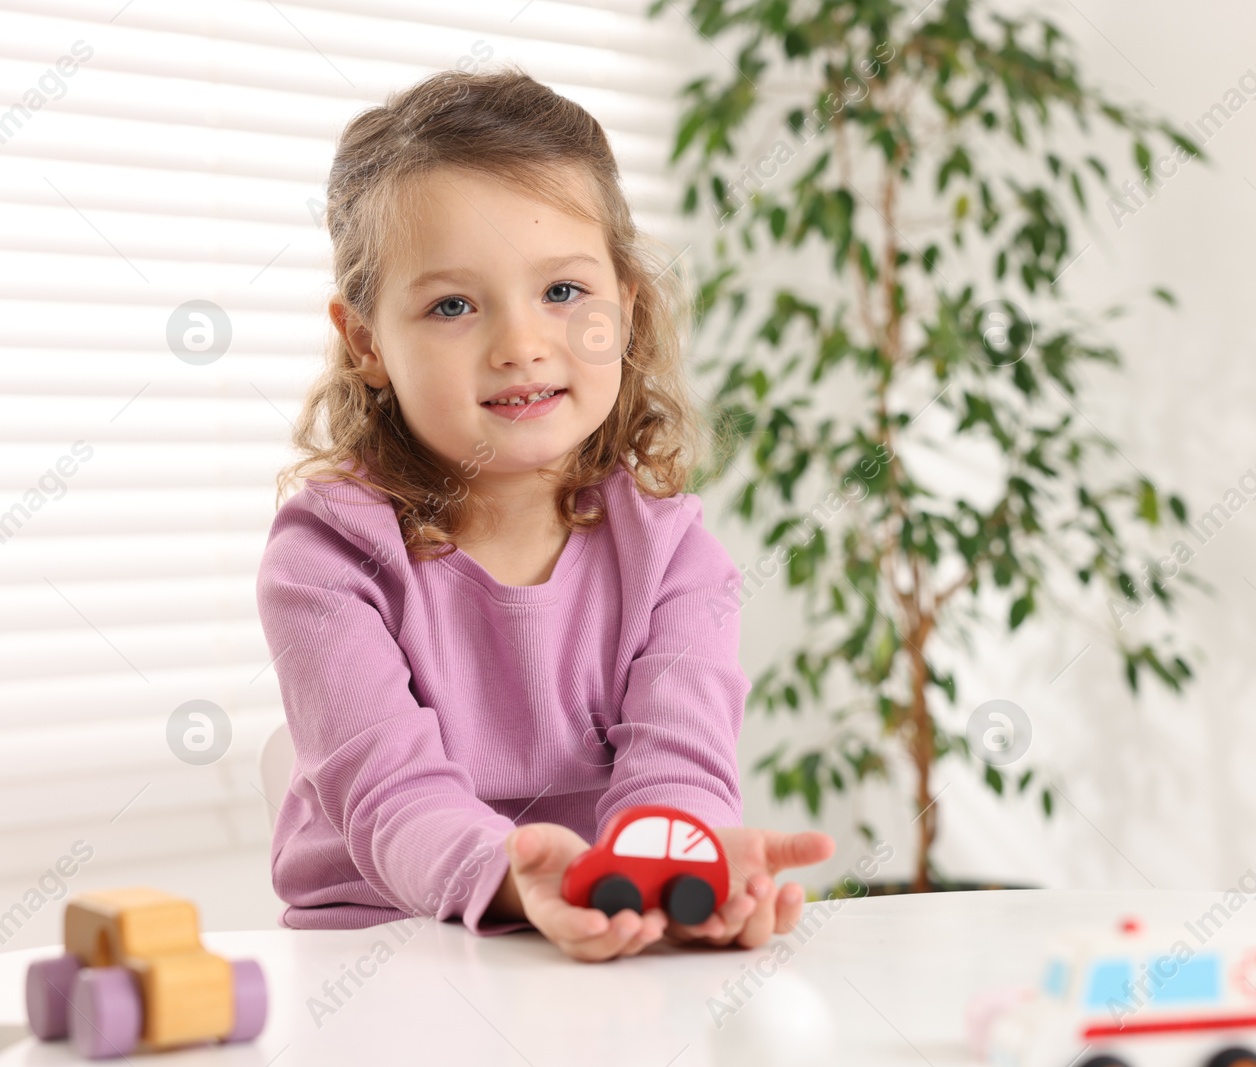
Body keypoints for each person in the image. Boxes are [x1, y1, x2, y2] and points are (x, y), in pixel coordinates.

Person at [257, 67, 833, 962]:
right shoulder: (327, 553)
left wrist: (673, 874)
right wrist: (518, 873)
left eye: (562, 291)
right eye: (452, 305)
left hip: (598, 941)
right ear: (367, 343)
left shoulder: (675, 553)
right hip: (380, 950)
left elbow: (678, 768)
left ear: (624, 305)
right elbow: (393, 795)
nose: (521, 345)